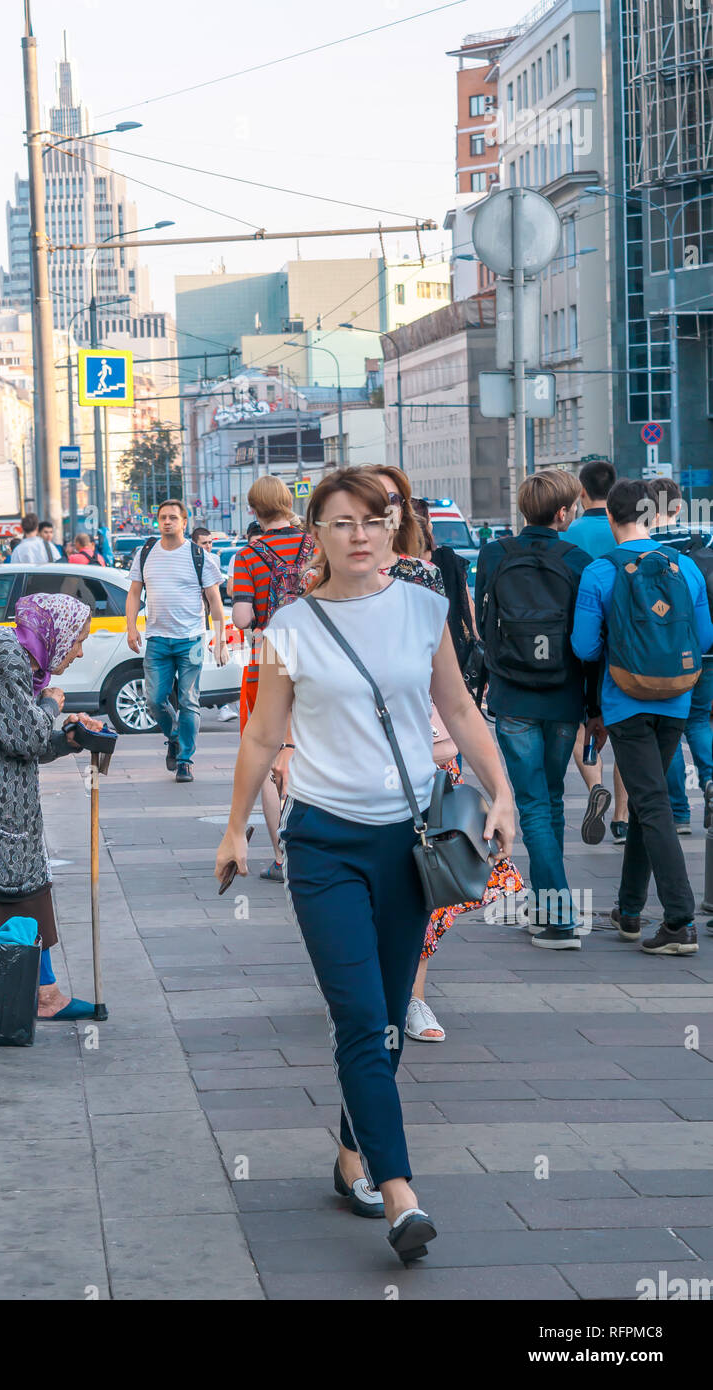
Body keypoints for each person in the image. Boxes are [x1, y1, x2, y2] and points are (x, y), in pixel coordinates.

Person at [215, 467, 515, 1261]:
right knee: (358, 1017)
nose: (357, 533)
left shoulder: (424, 609)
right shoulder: (291, 627)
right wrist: (235, 828)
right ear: (313, 533)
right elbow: (259, 736)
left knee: (386, 1020)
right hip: (321, 841)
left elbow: (457, 709)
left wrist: (502, 793)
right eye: (339, 521)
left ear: (391, 529)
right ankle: (400, 1195)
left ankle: (351, 1154)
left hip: (406, 840)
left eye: (370, 520)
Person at [366, 466, 521, 1041]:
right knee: (361, 892)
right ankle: (365, 983)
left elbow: (449, 689)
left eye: (390, 501)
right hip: (345, 770)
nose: (379, 513)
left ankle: (412, 995)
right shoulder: (317, 585)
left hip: (427, 756)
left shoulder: (424, 578)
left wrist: (499, 790)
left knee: (431, 880)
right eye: (366, 502)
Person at [0, 593, 106, 1019]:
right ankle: (39, 995)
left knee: (23, 879)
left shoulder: (4, 650)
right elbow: (24, 736)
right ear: (58, 633)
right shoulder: (7, 658)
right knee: (19, 881)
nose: (80, 651)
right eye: (78, 640)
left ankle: (40, 990)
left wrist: (66, 741)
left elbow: (11, 736)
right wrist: (52, 703)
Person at [572, 477, 713, 954]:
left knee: (650, 806)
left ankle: (679, 921)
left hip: (625, 702)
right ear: (652, 517)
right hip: (676, 698)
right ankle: (629, 912)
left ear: (610, 518)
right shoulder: (687, 567)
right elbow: (706, 637)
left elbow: (584, 646)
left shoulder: (598, 572)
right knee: (648, 803)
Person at [475, 469, 600, 947]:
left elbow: (482, 623)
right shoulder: (579, 560)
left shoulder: (493, 554)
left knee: (532, 803)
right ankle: (553, 902)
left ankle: (556, 913)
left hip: (511, 694)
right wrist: (593, 707)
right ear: (564, 513)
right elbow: (590, 641)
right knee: (549, 798)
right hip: (565, 696)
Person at [231, 477, 313, 880]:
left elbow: (243, 618)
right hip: (319, 660)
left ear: (254, 509)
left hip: (270, 662)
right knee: (312, 749)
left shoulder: (248, 554)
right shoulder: (314, 545)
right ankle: (317, 844)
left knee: (265, 753)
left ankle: (283, 857)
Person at [126, 498, 227, 783]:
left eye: (173, 517)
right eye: (162, 518)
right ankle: (174, 737)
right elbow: (134, 593)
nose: (167, 522)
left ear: (184, 522)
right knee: (154, 699)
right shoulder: (146, 553)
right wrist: (131, 627)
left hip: (190, 639)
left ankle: (185, 760)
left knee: (189, 701)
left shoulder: (199, 556)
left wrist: (221, 640)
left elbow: (215, 601)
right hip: (157, 639)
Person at [565, 459, 629, 844]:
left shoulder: (569, 532)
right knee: (624, 730)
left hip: (580, 641)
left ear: (581, 491)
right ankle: (621, 819)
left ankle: (594, 789)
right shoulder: (622, 530)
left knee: (580, 727)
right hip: (624, 645)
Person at [647, 480, 713, 834]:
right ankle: (711, 784)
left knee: (666, 728)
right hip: (706, 650)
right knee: (699, 722)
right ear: (678, 507)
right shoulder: (703, 542)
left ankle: (679, 813)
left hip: (664, 653)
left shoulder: (645, 547)